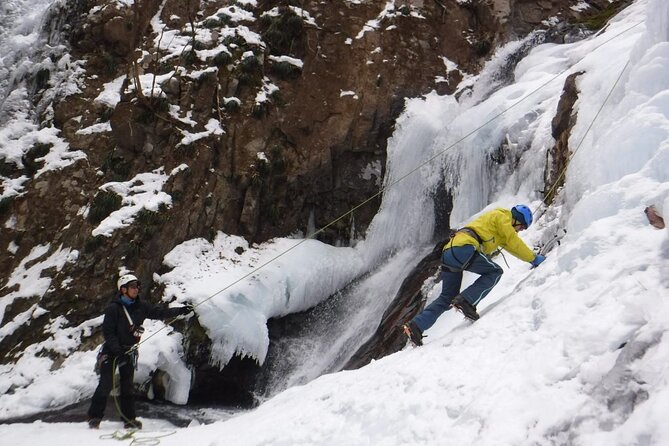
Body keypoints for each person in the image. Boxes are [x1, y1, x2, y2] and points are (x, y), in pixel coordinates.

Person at [403, 205, 545, 346]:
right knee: (495, 272)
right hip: (464, 248)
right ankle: (467, 301)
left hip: (449, 253)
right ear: (517, 220)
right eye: (521, 227)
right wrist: (534, 258)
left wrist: (530, 258)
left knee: (447, 297)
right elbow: (514, 242)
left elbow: (513, 248)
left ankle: (416, 326)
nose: (519, 231)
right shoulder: (502, 217)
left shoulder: (501, 231)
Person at [87, 273, 193, 429]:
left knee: (127, 387)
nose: (136, 289)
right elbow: (108, 333)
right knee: (105, 384)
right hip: (110, 352)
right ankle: (95, 417)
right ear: (123, 290)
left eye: (137, 286)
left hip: (129, 352)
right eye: (132, 287)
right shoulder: (113, 309)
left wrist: (180, 311)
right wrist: (118, 351)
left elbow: (160, 313)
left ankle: (129, 420)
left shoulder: (141, 306)